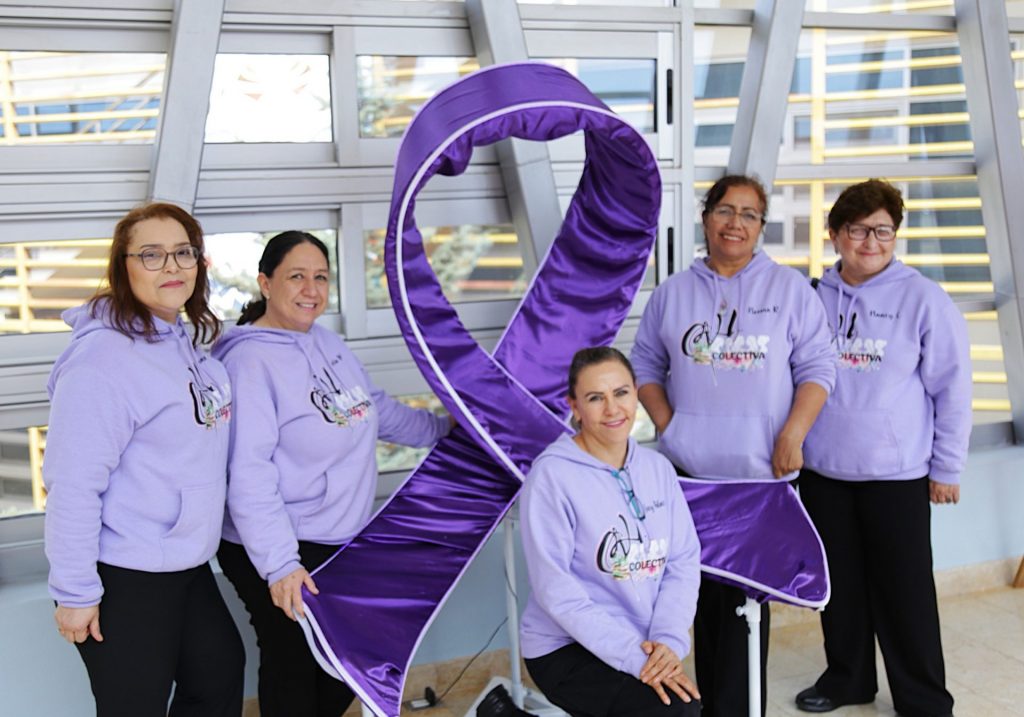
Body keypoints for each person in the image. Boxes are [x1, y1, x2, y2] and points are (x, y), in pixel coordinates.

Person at [214, 231, 451, 717]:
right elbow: (249, 473)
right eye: (296, 276)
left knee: (340, 668)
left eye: (321, 277)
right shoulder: (248, 362)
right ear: (265, 283)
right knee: (294, 666)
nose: (311, 289)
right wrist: (281, 565)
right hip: (280, 542)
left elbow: (374, 408)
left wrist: (445, 431)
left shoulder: (326, 342)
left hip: (338, 537)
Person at [630, 174, 836, 716]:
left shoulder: (789, 290)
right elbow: (645, 365)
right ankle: (708, 706)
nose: (735, 223)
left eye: (749, 214)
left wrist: (793, 434)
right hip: (692, 479)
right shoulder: (673, 293)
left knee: (748, 610)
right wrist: (670, 425)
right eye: (725, 210)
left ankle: (742, 711)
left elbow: (818, 369)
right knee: (696, 600)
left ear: (761, 225)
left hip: (760, 480)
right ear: (706, 218)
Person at [43, 203, 244, 717]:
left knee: (219, 679)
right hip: (125, 573)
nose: (171, 266)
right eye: (151, 255)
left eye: (183, 252)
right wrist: (75, 592)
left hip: (186, 563)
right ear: (123, 267)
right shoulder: (101, 363)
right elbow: (72, 484)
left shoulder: (183, 343)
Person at [795, 179, 970, 717]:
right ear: (834, 234)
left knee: (905, 593)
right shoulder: (812, 298)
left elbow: (953, 388)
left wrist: (947, 467)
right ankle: (848, 679)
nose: (870, 242)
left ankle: (923, 697)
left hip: (897, 474)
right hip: (823, 470)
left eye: (883, 231)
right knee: (839, 588)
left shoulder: (923, 299)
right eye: (857, 230)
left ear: (895, 235)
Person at [520, 346, 702, 717]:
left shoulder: (658, 468)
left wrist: (668, 641)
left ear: (636, 393)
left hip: (643, 641)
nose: (613, 409)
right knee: (674, 710)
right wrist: (638, 659)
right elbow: (556, 590)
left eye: (621, 393)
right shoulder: (552, 477)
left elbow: (682, 562)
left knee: (680, 704)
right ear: (574, 406)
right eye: (595, 398)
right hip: (564, 647)